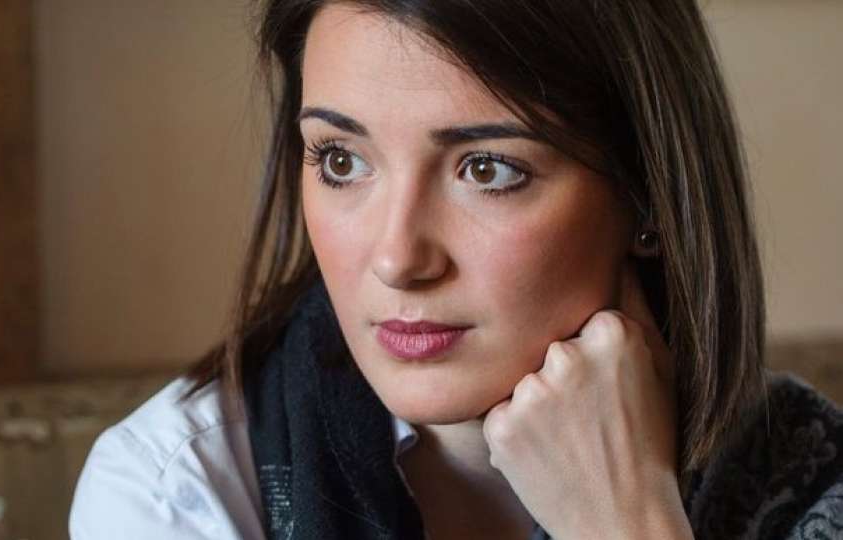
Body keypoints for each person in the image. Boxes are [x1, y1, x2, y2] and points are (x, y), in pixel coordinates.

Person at [69, 1, 843, 539]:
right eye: (340, 160)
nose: (397, 258)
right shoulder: (180, 490)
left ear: (648, 197)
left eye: (486, 169)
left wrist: (625, 524)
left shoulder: (811, 477)